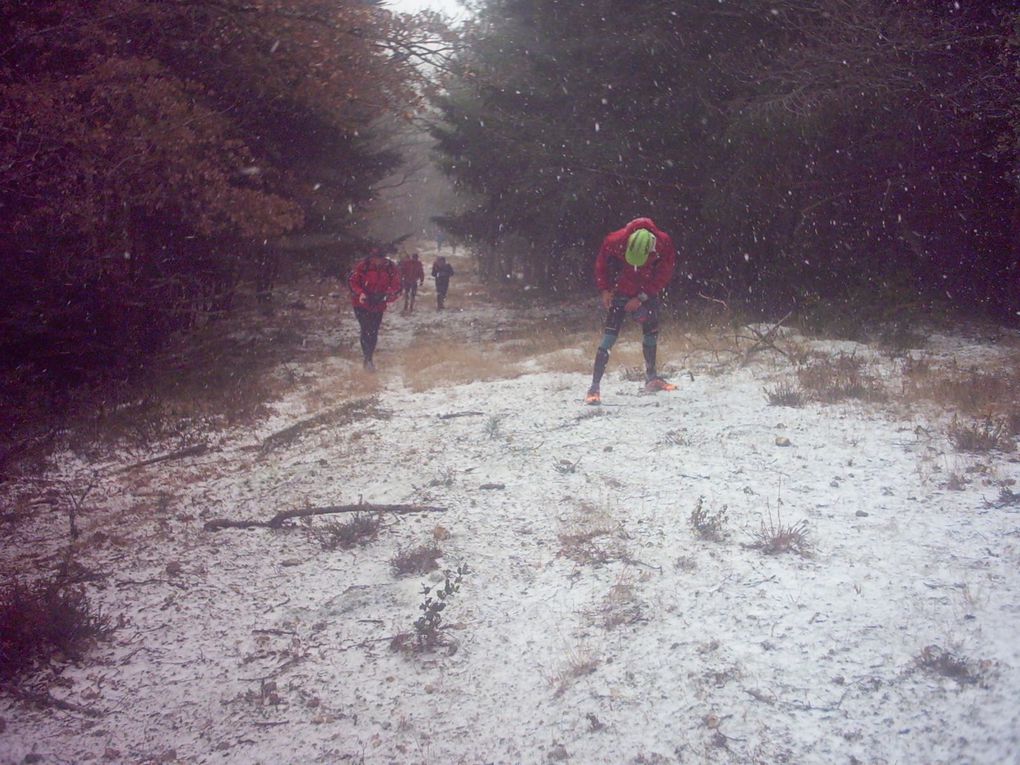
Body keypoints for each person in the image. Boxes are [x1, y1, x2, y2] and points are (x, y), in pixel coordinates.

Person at [585, 217, 677, 404]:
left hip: (646, 292)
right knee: (609, 338)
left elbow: (664, 274)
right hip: (619, 291)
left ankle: (652, 378)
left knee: (651, 333)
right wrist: (605, 290)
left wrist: (642, 297)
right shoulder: (613, 241)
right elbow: (602, 266)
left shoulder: (663, 243)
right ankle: (594, 387)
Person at [348, 247, 402, 371]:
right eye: (375, 258)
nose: (377, 261)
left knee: (374, 331)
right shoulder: (363, 266)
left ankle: (369, 356)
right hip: (361, 303)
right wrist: (360, 293)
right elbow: (353, 282)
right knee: (365, 328)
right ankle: (367, 358)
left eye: (380, 259)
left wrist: (387, 295)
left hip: (378, 304)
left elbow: (397, 285)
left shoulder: (390, 268)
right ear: (371, 257)